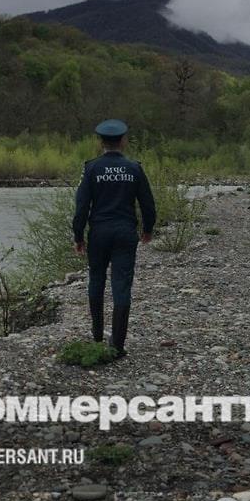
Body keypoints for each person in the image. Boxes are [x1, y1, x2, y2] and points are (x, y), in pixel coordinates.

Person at [72, 119, 156, 357]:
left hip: (99, 232)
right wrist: (148, 229)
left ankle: (97, 336)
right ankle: (118, 345)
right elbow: (147, 203)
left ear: (101, 142)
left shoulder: (91, 168)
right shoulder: (134, 168)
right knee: (122, 284)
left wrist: (78, 235)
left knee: (96, 280)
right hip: (125, 232)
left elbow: (82, 206)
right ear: (124, 141)